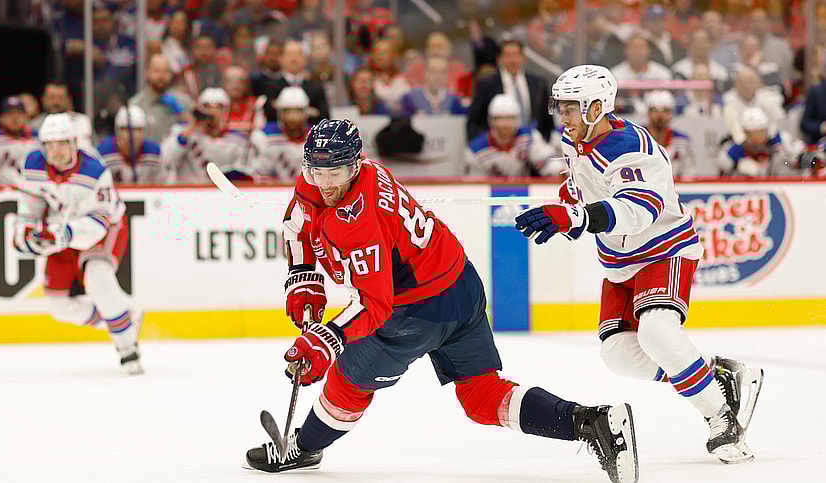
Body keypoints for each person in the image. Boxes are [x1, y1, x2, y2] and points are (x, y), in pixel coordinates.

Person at [242, 119, 639, 483]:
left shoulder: (358, 222)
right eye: (317, 171)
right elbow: (298, 221)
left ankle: (304, 447)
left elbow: (374, 305)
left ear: (356, 164)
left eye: (337, 173)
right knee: (481, 395)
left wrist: (324, 341)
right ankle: (590, 422)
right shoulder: (346, 173)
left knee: (348, 376)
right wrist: (303, 276)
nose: (326, 183)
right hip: (460, 284)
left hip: (415, 311)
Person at [515, 65, 764, 464]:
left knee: (658, 334)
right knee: (619, 356)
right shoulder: (573, 139)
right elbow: (582, 187)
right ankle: (717, 376)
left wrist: (577, 218)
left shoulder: (629, 148)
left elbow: (639, 209)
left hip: (664, 249)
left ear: (596, 107)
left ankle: (721, 418)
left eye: (571, 108)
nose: (563, 116)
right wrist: (567, 206)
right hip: (619, 261)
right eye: (560, 107)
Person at [14, 114, 143, 374]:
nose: (55, 151)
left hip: (104, 229)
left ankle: (127, 347)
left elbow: (98, 224)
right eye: (49, 145)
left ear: (74, 143)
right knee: (60, 307)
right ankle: (121, 318)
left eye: (61, 143)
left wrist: (64, 234)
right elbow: (32, 204)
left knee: (97, 277)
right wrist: (25, 231)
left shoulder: (94, 171)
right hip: (62, 229)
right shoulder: (33, 164)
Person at [467, 39, 554, 142]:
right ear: (499, 59)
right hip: (497, 148)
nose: (512, 60)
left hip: (533, 146)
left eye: (516, 55)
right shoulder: (486, 84)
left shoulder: (539, 83)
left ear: (523, 58)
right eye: (507, 55)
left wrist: (544, 141)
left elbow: (547, 119)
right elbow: (474, 121)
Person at [161, 88, 254, 183]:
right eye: (207, 107)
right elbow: (167, 159)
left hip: (221, 194)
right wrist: (189, 130)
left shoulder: (237, 140)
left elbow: (246, 171)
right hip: (189, 192)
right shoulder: (182, 131)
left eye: (218, 107)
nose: (212, 111)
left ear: (226, 111)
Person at [465, 94, 563, 177]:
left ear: (517, 119)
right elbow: (476, 185)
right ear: (491, 121)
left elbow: (545, 160)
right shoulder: (476, 151)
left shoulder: (528, 137)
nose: (504, 124)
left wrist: (559, 170)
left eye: (509, 118)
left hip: (524, 194)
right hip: (492, 196)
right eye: (499, 118)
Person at [719, 107, 808, 177]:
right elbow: (721, 180)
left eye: (760, 131)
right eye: (751, 134)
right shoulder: (733, 150)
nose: (757, 138)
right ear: (744, 133)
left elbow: (805, 158)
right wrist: (737, 166)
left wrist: (791, 160)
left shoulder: (781, 139)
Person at [97, 105, 170, 184]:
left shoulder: (154, 153)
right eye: (126, 129)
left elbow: (166, 185)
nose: (132, 135)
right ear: (117, 131)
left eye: (137, 130)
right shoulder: (103, 154)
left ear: (144, 132)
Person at [250, 86, 310, 182]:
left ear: (306, 113)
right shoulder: (264, 137)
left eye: (298, 111)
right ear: (280, 113)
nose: (293, 117)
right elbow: (261, 177)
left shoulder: (316, 137)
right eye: (287, 111)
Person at [130, 54, 195, 142]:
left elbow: (198, 131)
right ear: (147, 73)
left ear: (171, 74)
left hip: (180, 154)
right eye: (156, 71)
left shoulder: (185, 101)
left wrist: (182, 113)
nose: (161, 76)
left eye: (165, 72)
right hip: (150, 155)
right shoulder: (136, 105)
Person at [0, 96, 39, 184]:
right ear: (1, 118)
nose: (14, 119)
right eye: (10, 114)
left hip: (30, 188)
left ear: (26, 117)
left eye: (18, 114)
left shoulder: (37, 138)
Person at [643, 90, 696, 177]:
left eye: (665, 110)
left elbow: (689, 174)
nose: (660, 115)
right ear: (648, 113)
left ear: (671, 113)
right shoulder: (636, 138)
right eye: (655, 110)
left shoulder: (682, 142)